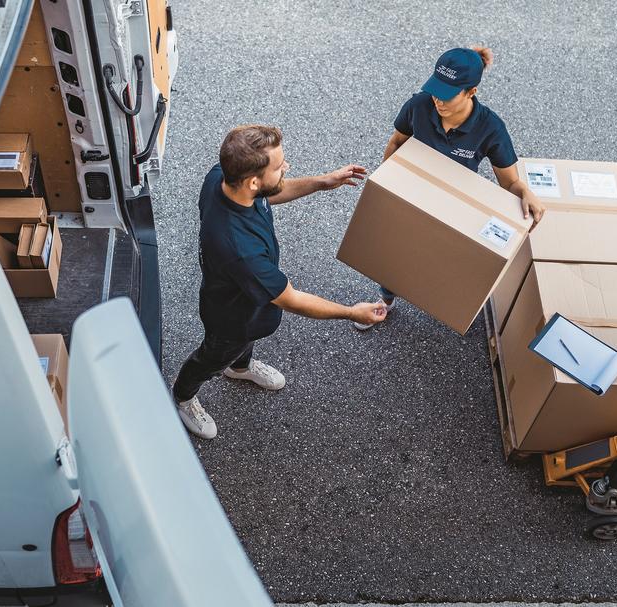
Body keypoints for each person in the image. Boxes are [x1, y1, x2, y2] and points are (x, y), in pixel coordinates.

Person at [173, 125, 387, 439]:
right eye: (279, 166)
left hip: (251, 302)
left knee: (242, 345)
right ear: (253, 181)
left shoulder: (221, 177)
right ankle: (183, 397)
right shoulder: (242, 251)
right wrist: (352, 313)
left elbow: (270, 194)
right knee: (212, 356)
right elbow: (291, 299)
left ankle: (240, 368)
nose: (286, 168)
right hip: (231, 318)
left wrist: (321, 182)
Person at [355, 46, 546, 330]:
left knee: (441, 256)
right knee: (397, 250)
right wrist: (387, 184)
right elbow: (396, 142)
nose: (437, 100)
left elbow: (509, 182)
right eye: (435, 89)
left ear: (471, 92)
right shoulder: (418, 106)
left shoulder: (491, 128)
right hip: (413, 193)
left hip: (454, 204)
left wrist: (525, 193)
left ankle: (442, 300)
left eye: (447, 94)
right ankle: (386, 298)